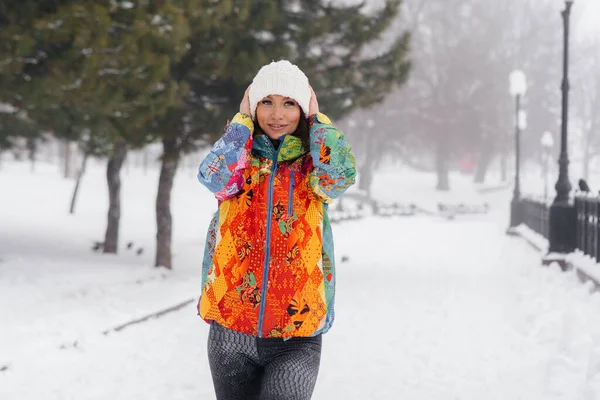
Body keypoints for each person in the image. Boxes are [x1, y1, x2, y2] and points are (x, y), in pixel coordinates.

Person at [196, 60, 356, 400]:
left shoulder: (313, 163)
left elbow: (340, 175)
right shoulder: (239, 159)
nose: (277, 114)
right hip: (232, 328)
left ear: (302, 108)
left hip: (296, 332)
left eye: (289, 103)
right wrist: (240, 124)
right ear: (254, 107)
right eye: (266, 102)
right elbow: (213, 177)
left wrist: (318, 121)